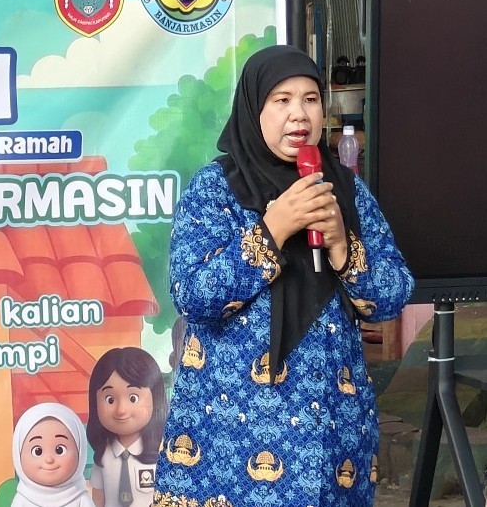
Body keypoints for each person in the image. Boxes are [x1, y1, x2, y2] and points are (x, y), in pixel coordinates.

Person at [152, 45, 414, 507]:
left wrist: (342, 247)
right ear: (254, 108)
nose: (299, 114)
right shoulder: (215, 190)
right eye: (282, 100)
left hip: (331, 432)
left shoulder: (344, 189)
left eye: (311, 99)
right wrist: (272, 231)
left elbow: (393, 295)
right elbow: (192, 295)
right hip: (232, 433)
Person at [87, 347, 167, 507]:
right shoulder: (103, 457)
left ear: (155, 397)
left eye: (133, 398)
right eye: (110, 399)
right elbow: (98, 500)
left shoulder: (161, 453)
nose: (121, 410)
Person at [11, 402, 95, 507]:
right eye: (38, 451)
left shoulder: (81, 498)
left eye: (60, 450)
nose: (49, 459)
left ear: (80, 450)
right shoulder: (22, 500)